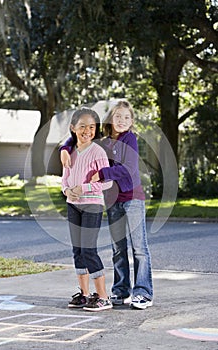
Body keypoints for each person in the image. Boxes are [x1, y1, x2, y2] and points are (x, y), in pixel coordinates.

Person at [60, 101, 153, 310]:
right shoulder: (103, 142)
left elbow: (128, 168)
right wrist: (64, 149)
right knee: (118, 249)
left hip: (132, 198)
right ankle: (120, 291)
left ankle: (143, 293)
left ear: (131, 122)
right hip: (113, 200)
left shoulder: (130, 139)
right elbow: (78, 137)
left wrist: (101, 174)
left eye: (127, 118)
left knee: (139, 249)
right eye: (118, 117)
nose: (122, 121)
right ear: (111, 118)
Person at [61, 108, 113, 312]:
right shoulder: (69, 152)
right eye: (82, 126)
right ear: (73, 128)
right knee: (77, 251)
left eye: (91, 127)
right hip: (73, 205)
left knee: (88, 250)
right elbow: (65, 178)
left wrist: (84, 187)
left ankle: (103, 297)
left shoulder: (98, 151)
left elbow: (107, 182)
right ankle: (84, 295)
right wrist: (67, 190)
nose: (87, 131)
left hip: (92, 204)